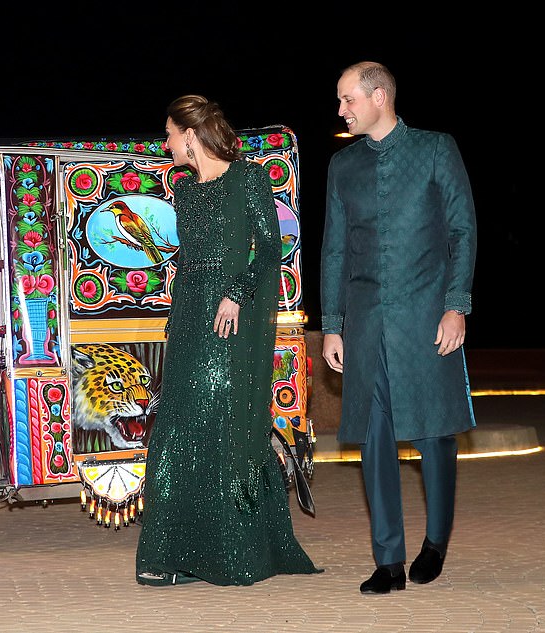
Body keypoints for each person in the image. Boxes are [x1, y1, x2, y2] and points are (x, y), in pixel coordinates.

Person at [135, 95, 321, 586]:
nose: (167, 142)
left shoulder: (250, 178)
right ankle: (173, 555)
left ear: (191, 135)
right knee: (177, 429)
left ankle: (234, 552)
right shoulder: (186, 191)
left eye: (170, 132)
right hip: (192, 316)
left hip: (232, 321)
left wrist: (235, 294)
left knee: (225, 429)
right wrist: (177, 318)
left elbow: (270, 249)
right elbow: (189, 261)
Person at [320, 61, 478, 594]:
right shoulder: (343, 165)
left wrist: (457, 304)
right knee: (373, 437)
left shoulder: (436, 149)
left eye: (348, 99)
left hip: (428, 319)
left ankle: (435, 543)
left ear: (379, 95)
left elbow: (463, 228)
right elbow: (335, 249)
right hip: (365, 323)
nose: (341, 109)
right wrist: (333, 324)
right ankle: (388, 560)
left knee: (435, 433)